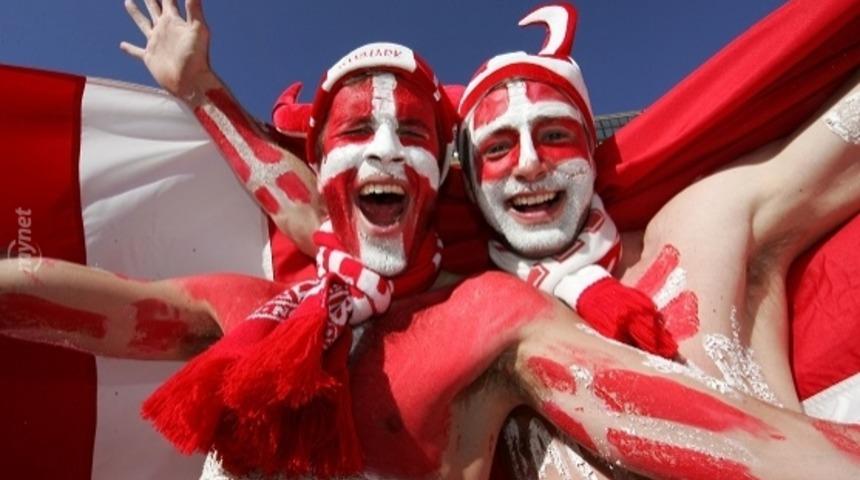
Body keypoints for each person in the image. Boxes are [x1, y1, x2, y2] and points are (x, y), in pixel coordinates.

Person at [2, 1, 860, 479]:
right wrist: (203, 96)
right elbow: (92, 306)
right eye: (354, 132)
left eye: (410, 131)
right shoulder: (249, 315)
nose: (381, 148)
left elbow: (728, 441)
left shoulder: (488, 318)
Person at [450, 2, 860, 478]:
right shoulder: (476, 343)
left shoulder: (701, 226)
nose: (529, 163)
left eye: (555, 133)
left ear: (591, 151)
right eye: (497, 147)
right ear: (470, 186)